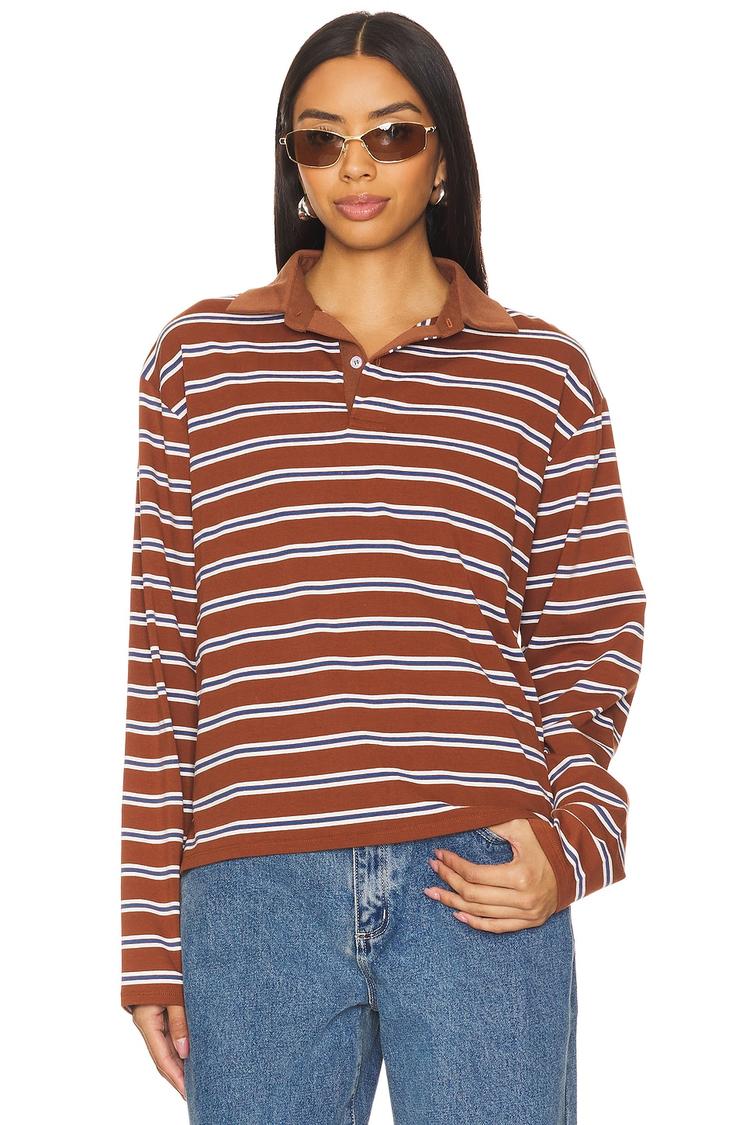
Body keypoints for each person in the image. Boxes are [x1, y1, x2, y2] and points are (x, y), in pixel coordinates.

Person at [120, 11, 647, 1123]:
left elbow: (589, 638)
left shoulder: (540, 373)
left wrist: (575, 845)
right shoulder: (199, 362)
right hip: (253, 890)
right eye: (323, 140)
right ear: (295, 164)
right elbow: (166, 659)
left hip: (478, 877)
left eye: (392, 134)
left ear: (443, 154)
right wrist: (149, 938)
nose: (356, 166)